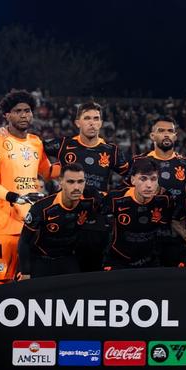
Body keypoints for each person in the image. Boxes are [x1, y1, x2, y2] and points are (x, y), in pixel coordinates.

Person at [44, 101, 129, 272]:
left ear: (101, 123)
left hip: (96, 218)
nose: (92, 123)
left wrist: (112, 197)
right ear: (78, 122)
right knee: (65, 268)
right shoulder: (64, 145)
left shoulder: (110, 150)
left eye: (96, 118)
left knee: (93, 269)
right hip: (67, 215)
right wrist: (6, 133)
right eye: (87, 118)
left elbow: (131, 175)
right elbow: (33, 147)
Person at [0, 90, 51, 287]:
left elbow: (50, 172)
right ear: (7, 115)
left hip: (30, 227)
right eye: (17, 111)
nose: (23, 115)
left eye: (27, 111)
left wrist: (73, 151)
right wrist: (16, 197)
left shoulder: (36, 143)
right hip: (2, 226)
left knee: (30, 288)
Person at [130, 117, 186, 266]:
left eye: (170, 131)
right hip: (145, 232)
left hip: (176, 234)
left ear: (175, 136)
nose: (166, 134)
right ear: (152, 136)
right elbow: (128, 193)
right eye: (161, 131)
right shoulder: (139, 161)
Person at [18, 163, 99, 279]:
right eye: (70, 182)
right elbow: (24, 241)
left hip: (67, 258)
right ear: (61, 182)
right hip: (42, 258)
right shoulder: (43, 207)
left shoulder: (90, 201)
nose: (76, 187)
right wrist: (25, 272)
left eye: (80, 182)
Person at [102, 159, 174, 270]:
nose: (149, 185)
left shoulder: (165, 199)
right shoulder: (116, 198)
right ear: (133, 180)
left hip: (149, 260)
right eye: (143, 179)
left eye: (153, 179)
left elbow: (172, 223)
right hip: (119, 259)